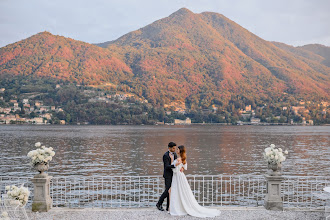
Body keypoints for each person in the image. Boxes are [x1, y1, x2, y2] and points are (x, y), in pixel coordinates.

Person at [169, 145, 221, 218]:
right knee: (182, 191)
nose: (176, 150)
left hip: (177, 176)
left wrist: (174, 162)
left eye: (177, 149)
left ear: (180, 151)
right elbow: (185, 167)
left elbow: (175, 170)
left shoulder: (178, 159)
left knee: (177, 191)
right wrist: (182, 168)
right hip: (181, 176)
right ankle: (181, 207)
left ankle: (178, 208)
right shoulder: (183, 158)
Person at [156, 142, 183, 211]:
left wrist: (180, 167)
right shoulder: (166, 155)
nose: (174, 149)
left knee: (170, 191)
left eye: (175, 148)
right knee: (168, 190)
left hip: (174, 174)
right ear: (169, 148)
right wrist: (174, 165)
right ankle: (159, 203)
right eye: (173, 148)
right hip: (168, 175)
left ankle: (168, 206)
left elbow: (177, 163)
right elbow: (166, 166)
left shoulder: (175, 154)